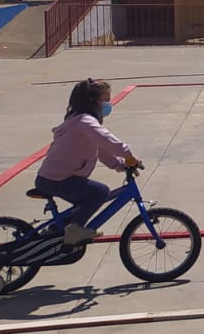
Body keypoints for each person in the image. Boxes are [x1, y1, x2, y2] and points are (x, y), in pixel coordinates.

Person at [33, 78, 141, 246]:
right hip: (57, 180)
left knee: (84, 204)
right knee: (100, 192)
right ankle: (75, 230)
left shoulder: (78, 120)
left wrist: (120, 164)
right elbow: (108, 141)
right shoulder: (86, 122)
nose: (108, 105)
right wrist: (129, 155)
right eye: (105, 100)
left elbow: (101, 151)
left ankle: (57, 229)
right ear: (94, 101)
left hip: (53, 177)